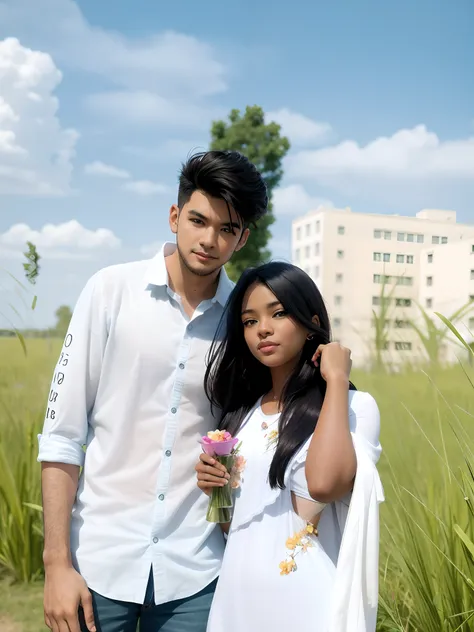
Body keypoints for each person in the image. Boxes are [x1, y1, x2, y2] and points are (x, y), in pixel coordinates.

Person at [37, 150, 268, 632]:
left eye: (227, 229)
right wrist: (56, 565)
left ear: (242, 238)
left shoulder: (244, 319)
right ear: (174, 216)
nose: (209, 240)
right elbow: (62, 434)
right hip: (97, 561)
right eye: (198, 220)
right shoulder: (109, 291)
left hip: (197, 570)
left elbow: (240, 438)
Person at [195, 261, 385, 632]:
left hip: (307, 607)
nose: (262, 329)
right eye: (249, 321)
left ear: (309, 320)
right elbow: (233, 528)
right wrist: (215, 489)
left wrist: (336, 379)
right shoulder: (240, 417)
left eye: (278, 313)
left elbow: (324, 484)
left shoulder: (353, 408)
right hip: (237, 603)